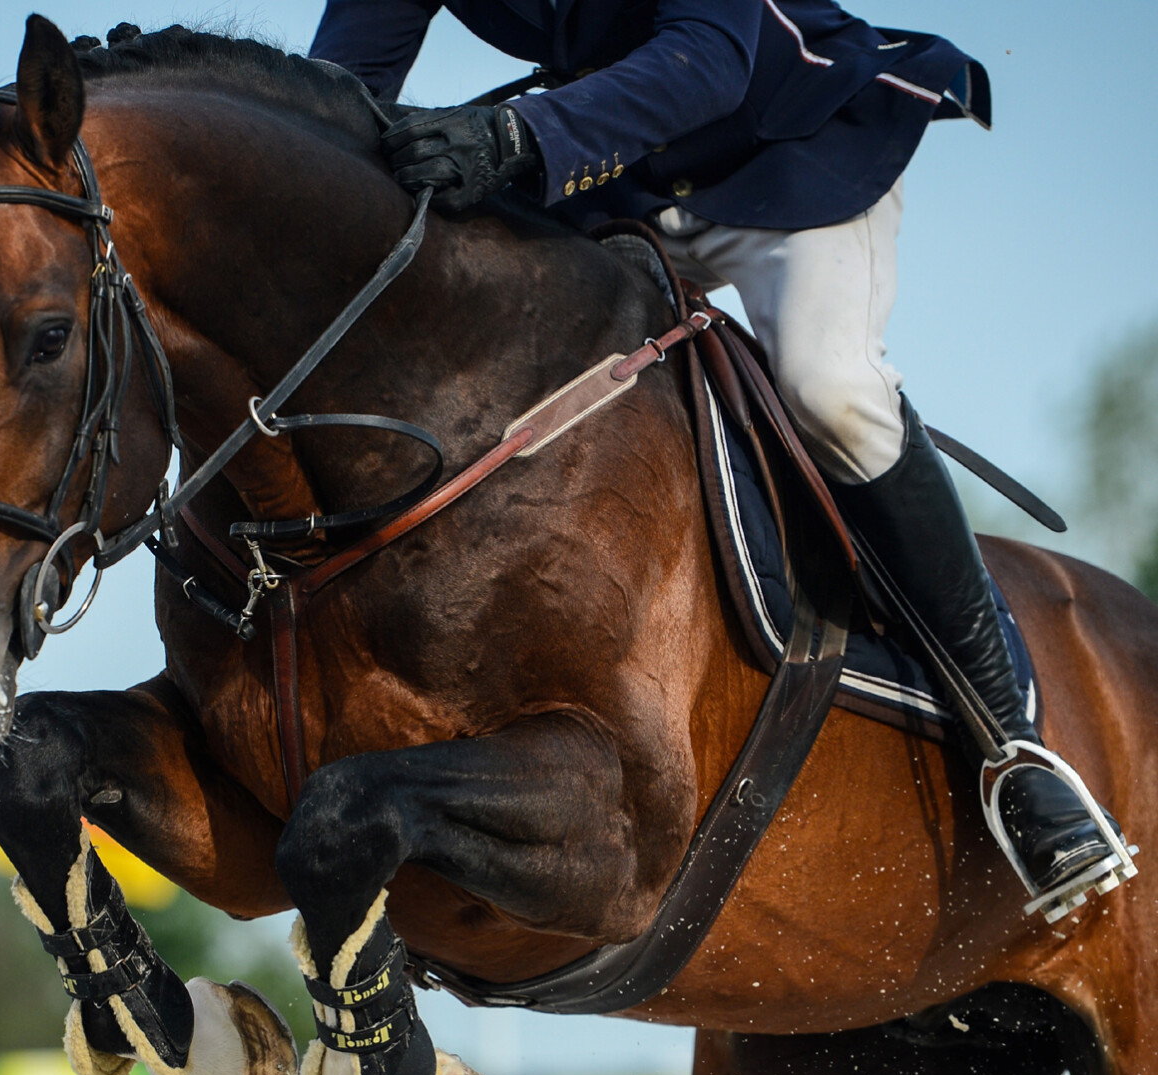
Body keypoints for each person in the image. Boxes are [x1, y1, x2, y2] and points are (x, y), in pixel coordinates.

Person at [310, 0, 1134, 921]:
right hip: (620, 170)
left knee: (832, 389)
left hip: (787, 153)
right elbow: (347, 86)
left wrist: (515, 133)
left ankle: (1013, 747)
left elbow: (708, 60)